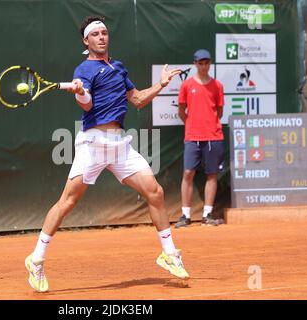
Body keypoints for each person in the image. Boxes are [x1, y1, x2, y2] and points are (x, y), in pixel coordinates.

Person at [24, 15, 189, 293]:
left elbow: (136, 100)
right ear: (86, 41)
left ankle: (169, 254)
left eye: (104, 32)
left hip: (120, 146)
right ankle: (36, 259)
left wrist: (160, 85)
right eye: (96, 34)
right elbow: (87, 106)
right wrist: (80, 93)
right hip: (93, 144)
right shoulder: (84, 69)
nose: (102, 37)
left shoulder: (119, 67)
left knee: (155, 193)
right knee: (67, 202)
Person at [175, 49, 224, 228]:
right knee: (188, 173)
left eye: (206, 63)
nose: (203, 66)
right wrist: (191, 124)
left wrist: (208, 124)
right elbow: (181, 110)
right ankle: (185, 215)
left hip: (213, 136)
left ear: (209, 63)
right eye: (200, 63)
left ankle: (207, 214)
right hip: (192, 136)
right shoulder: (187, 85)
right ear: (195, 64)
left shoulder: (217, 86)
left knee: (212, 174)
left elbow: (219, 111)